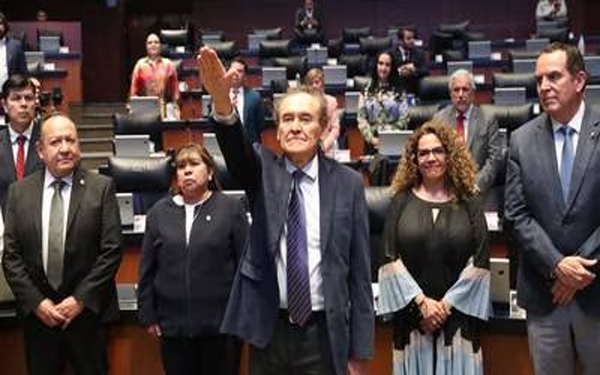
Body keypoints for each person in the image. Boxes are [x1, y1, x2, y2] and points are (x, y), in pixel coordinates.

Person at [198, 46, 374, 375]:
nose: (294, 127)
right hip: (270, 332)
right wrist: (222, 101)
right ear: (277, 131)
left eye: (305, 119)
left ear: (322, 130)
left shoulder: (348, 184)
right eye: (287, 119)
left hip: (324, 334)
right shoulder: (263, 169)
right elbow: (236, 152)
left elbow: (360, 275)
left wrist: (359, 351)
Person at [505, 42, 600, 375]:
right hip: (545, 296)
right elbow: (516, 215)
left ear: (579, 81)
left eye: (554, 76)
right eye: (539, 79)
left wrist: (579, 272)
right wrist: (558, 265)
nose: (544, 86)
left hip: (596, 291)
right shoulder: (521, 140)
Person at [2, 113, 123, 375]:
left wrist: (79, 299)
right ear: (40, 150)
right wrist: (37, 303)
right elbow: (11, 256)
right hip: (39, 319)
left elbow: (112, 250)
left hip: (87, 317)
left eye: (71, 140)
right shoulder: (19, 192)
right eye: (56, 142)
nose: (66, 148)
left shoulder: (101, 188)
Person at [378, 120, 490, 375]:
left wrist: (445, 306)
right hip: (412, 320)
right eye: (423, 153)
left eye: (438, 151)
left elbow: (480, 259)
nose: (431, 158)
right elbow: (388, 256)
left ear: (450, 155)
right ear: (414, 160)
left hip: (459, 320)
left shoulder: (469, 199)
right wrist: (422, 305)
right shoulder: (401, 199)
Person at [137, 143, 248, 375]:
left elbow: (244, 266)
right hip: (173, 328)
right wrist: (147, 313)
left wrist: (242, 315)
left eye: (194, 164)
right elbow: (147, 268)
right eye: (181, 166)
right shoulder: (158, 213)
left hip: (221, 328)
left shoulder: (230, 209)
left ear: (209, 172)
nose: (187, 170)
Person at [433, 69, 503, 193]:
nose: (460, 94)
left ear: (473, 93)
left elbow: (495, 158)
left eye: (465, 89)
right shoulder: (439, 119)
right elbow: (435, 156)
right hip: (446, 189)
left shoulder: (488, 119)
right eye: (456, 90)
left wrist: (476, 184)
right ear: (450, 94)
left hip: (478, 189)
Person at [0, 74, 44, 212]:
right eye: (16, 98)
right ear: (5, 105)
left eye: (29, 98)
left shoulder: (49, 139)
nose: (24, 104)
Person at [357, 51, 409, 153]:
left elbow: (404, 118)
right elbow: (361, 118)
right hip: (371, 144)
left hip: (394, 143)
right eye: (380, 63)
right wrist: (372, 139)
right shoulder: (365, 90)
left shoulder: (400, 91)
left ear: (392, 68)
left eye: (387, 65)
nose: (383, 68)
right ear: (376, 65)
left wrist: (388, 139)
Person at [129, 32, 180, 118]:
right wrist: (133, 109)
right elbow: (133, 91)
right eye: (150, 43)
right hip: (145, 108)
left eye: (156, 42)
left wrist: (176, 109)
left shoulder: (168, 64)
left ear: (160, 46)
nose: (153, 45)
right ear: (146, 46)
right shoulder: (140, 65)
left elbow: (175, 91)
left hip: (164, 108)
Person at [228, 57, 265, 144]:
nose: (235, 73)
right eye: (233, 70)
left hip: (249, 146)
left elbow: (260, 126)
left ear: (245, 76)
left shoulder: (255, 97)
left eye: (240, 71)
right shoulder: (219, 95)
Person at [304, 67, 340, 154]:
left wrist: (324, 145)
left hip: (327, 146)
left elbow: (335, 129)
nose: (314, 86)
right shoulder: (303, 103)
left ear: (322, 83)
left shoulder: (331, 102)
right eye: (310, 83)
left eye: (316, 82)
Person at [392, 26, 429, 96]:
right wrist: (399, 71)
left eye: (413, 38)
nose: (412, 41)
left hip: (415, 92)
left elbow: (426, 70)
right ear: (400, 40)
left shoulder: (419, 53)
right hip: (395, 92)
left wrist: (414, 70)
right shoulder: (391, 54)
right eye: (408, 38)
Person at [0, 12, 27, 88]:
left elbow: (23, 73)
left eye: (0, 23)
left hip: (9, 94)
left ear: (5, 26)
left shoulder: (16, 46)